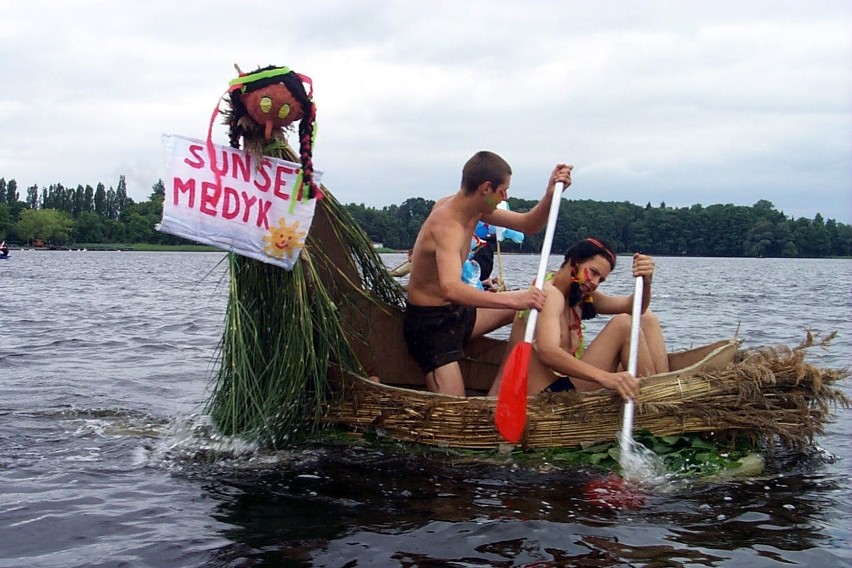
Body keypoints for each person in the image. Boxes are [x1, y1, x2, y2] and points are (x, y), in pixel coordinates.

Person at [404, 150, 573, 396]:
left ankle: (498, 393)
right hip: (430, 327)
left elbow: (529, 225)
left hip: (457, 315)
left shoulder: (476, 210)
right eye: (502, 190)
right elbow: (451, 288)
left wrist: (550, 193)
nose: (504, 196)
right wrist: (513, 297)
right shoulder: (446, 223)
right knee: (456, 414)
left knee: (525, 309)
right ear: (486, 188)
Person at [488, 237, 668, 401]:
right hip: (541, 398)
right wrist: (606, 378)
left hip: (562, 386)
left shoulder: (579, 297)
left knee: (647, 318)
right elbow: (547, 352)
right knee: (624, 325)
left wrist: (646, 282)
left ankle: (666, 390)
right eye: (593, 272)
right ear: (574, 262)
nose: (595, 283)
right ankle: (657, 401)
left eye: (601, 280)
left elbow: (636, 307)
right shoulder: (549, 294)